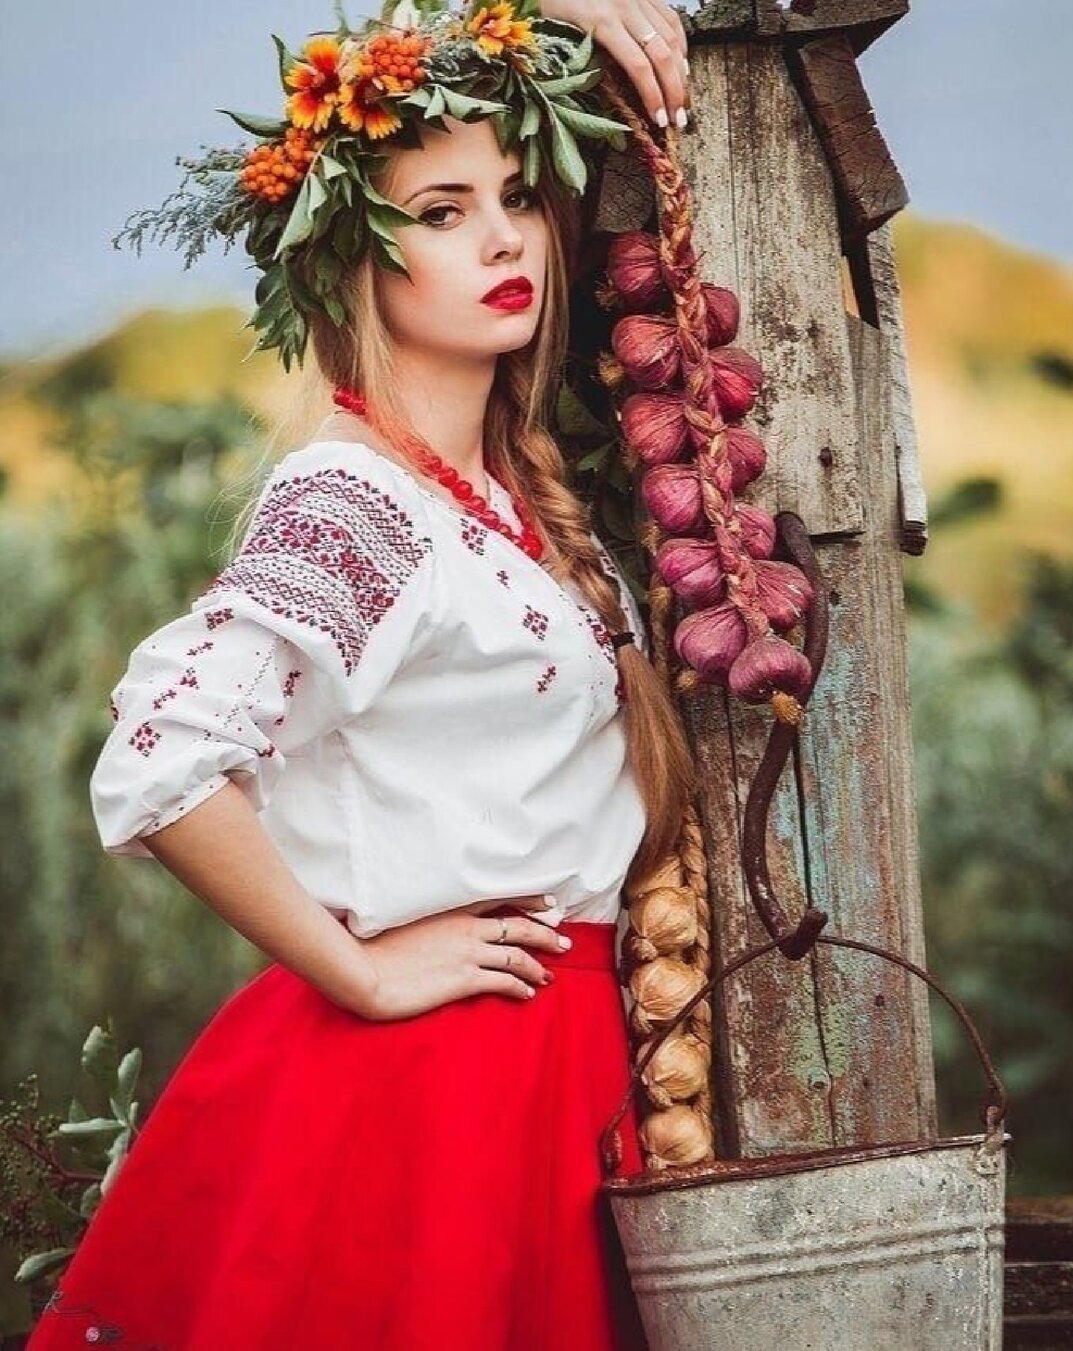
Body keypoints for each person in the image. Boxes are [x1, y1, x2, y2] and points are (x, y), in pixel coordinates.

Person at [27, 2, 695, 1346]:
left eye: (517, 198)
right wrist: (364, 974)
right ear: (352, 260)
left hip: (554, 1070)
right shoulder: (356, 499)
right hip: (429, 1086)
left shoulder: (507, 494)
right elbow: (161, 758)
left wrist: (548, 14)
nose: (505, 239)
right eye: (441, 212)